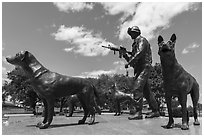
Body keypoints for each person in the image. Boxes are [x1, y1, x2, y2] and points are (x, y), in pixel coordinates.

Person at [121, 26, 160, 120]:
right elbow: (133, 58)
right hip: (139, 68)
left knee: (137, 88)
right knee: (147, 92)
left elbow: (140, 53)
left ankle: (138, 112)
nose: (130, 35)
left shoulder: (142, 40)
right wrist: (124, 54)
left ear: (136, 32)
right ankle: (155, 111)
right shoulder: (135, 43)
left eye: (131, 33)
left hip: (144, 67)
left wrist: (129, 63)